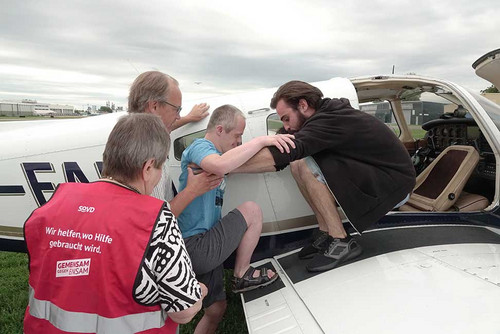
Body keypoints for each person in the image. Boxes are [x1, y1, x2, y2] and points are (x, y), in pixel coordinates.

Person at [24, 113, 207, 334]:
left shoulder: (52, 205)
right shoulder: (156, 218)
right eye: (160, 168)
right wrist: (200, 291)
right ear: (148, 167)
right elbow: (183, 311)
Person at [234, 80, 416, 272]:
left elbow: (280, 155)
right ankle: (327, 232)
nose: (286, 126)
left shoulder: (331, 119)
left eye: (286, 118)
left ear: (303, 105)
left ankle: (341, 240)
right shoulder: (318, 118)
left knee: (303, 162)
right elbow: (280, 149)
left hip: (393, 185)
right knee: (297, 163)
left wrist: (225, 167)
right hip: (378, 175)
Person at [177, 104, 295, 333]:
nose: (239, 141)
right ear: (220, 129)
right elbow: (220, 165)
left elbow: (231, 161)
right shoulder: (201, 146)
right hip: (195, 245)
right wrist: (262, 141)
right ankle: (241, 275)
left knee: (216, 309)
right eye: (237, 135)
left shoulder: (218, 155)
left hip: (203, 242)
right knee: (251, 210)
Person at [128, 71, 221, 214]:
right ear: (154, 106)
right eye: (177, 109)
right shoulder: (147, 155)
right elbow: (155, 219)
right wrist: (192, 190)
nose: (178, 117)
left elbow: (165, 126)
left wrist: (189, 118)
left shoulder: (130, 132)